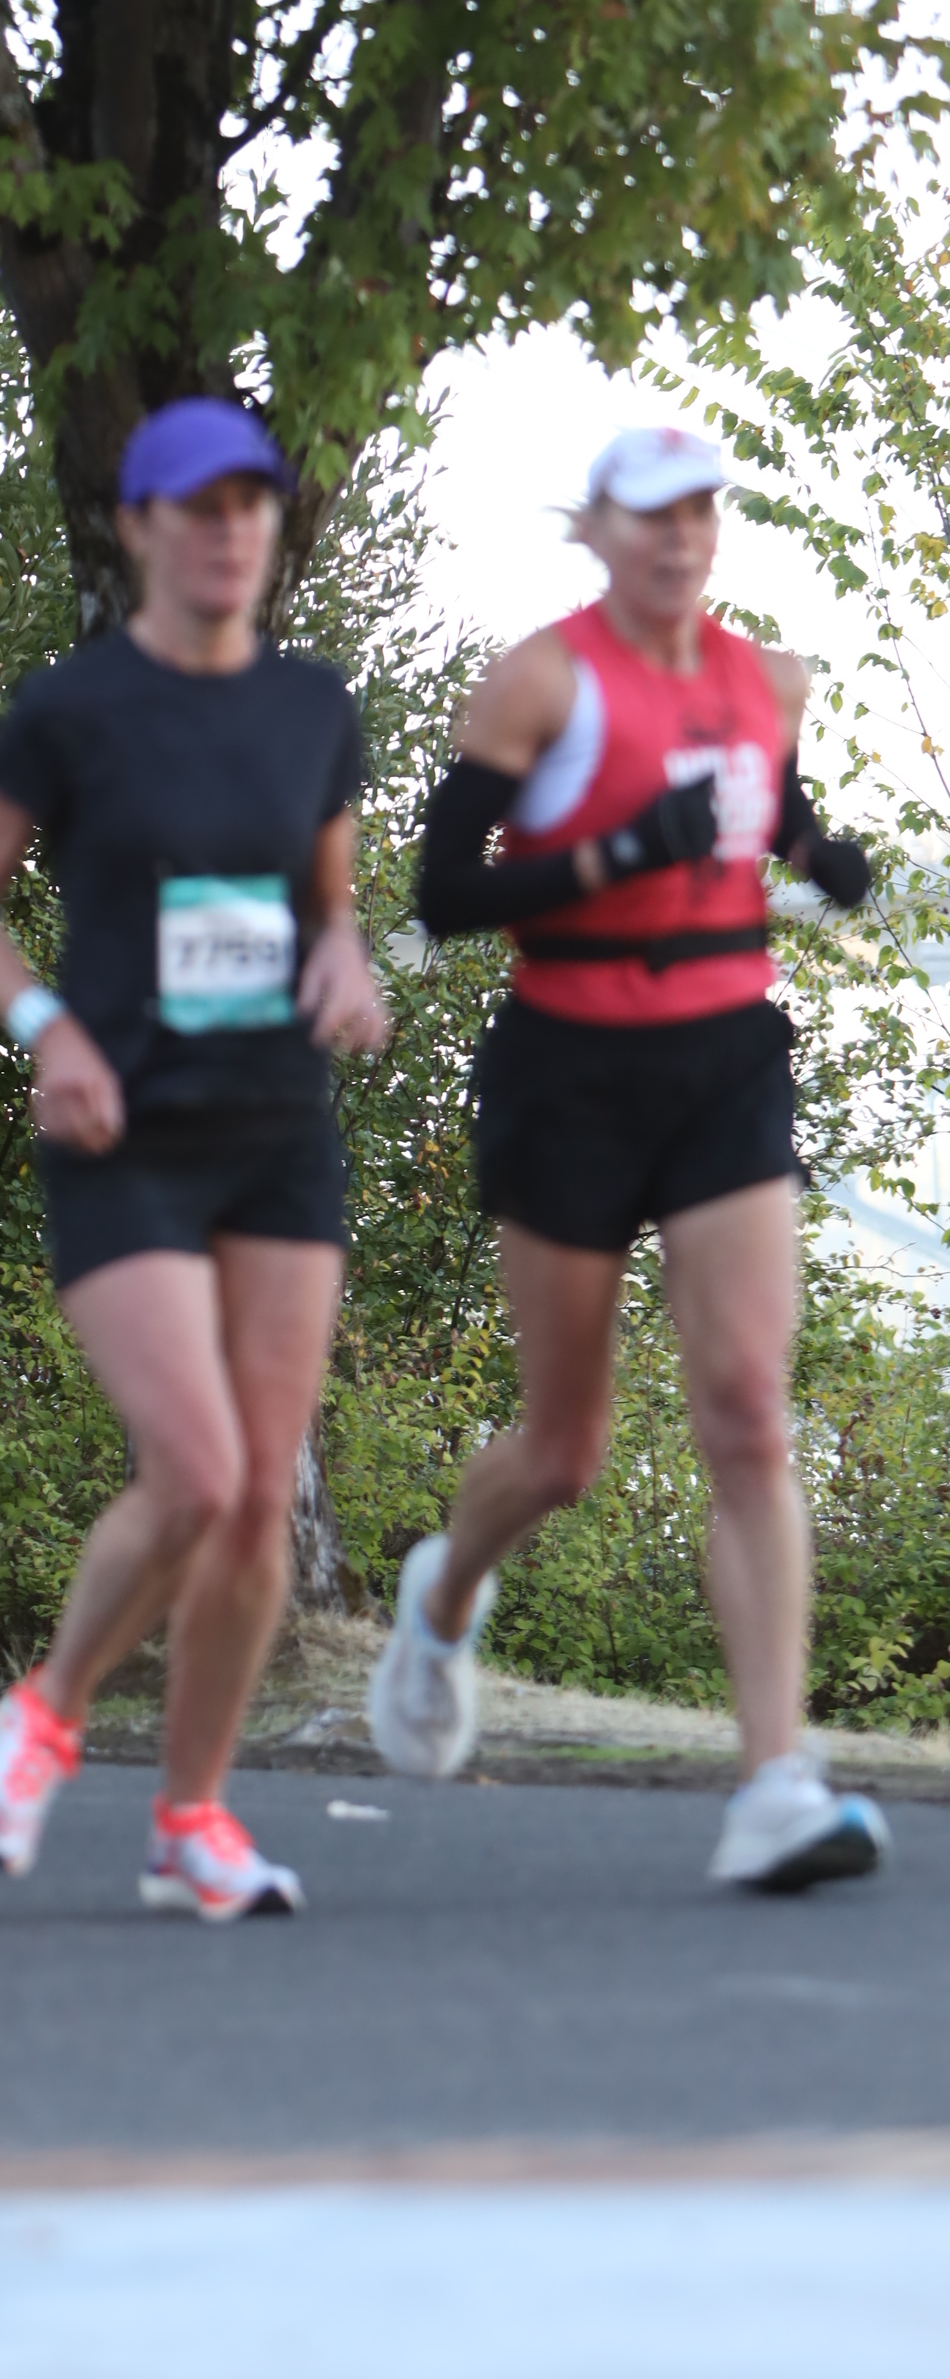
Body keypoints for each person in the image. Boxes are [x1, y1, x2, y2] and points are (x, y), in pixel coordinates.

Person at [368, 423, 887, 1892]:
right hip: (570, 1069)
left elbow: (762, 803)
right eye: (650, 515)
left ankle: (775, 1782)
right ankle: (442, 1600)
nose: (677, 538)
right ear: (595, 529)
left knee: (748, 1412)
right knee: (564, 1450)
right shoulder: (538, 682)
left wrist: (819, 855)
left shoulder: (766, 679)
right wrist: (614, 854)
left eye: (698, 513)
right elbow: (442, 894)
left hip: (724, 1059)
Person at [0, 397, 389, 1923]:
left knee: (257, 1503)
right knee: (197, 1470)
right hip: (121, 1133)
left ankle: (191, 1819)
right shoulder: (70, 711)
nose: (229, 530)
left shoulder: (313, 709)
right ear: (138, 528)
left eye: (250, 503)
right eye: (197, 506)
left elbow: (330, 905)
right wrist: (49, 1029)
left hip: (276, 1137)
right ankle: (44, 1718)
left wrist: (347, 962)